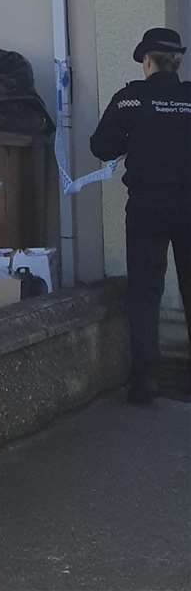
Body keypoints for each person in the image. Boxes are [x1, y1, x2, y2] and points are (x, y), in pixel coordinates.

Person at [90, 26, 191, 405]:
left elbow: (101, 146)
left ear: (147, 62)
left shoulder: (130, 99)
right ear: (177, 62)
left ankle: (146, 381)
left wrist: (133, 140)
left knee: (145, 293)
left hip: (147, 207)